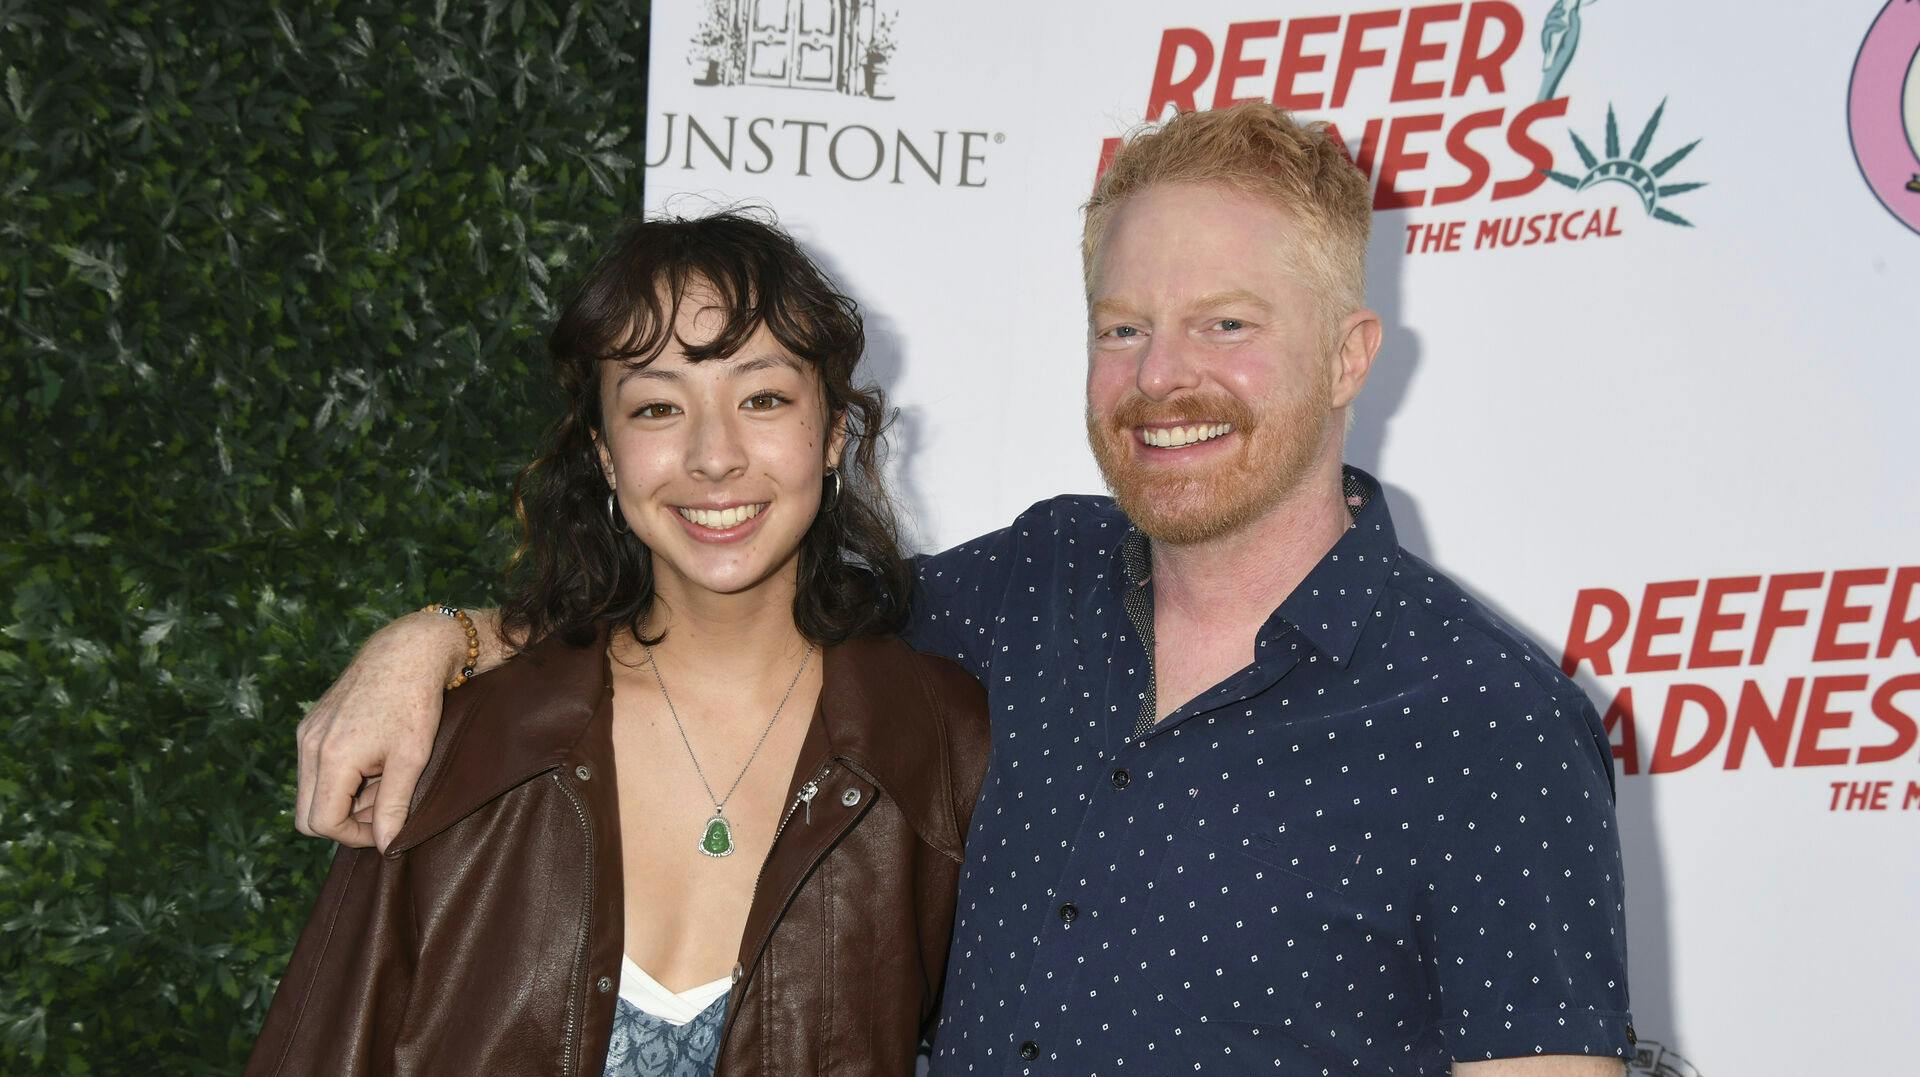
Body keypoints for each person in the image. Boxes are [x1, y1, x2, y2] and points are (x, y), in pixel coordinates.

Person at [291, 103, 1634, 1075]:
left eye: (1227, 324)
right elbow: (726, 607)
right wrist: (443, 639)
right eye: (1124, 327)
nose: (1164, 376)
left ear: (1349, 356)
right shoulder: (1016, 598)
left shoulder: (1489, 722)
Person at [248, 212, 989, 1076]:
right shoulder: (461, 742)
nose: (714, 456)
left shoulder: (943, 746)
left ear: (830, 433)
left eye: (762, 398)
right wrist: (436, 634)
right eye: (658, 406)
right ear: (605, 455)